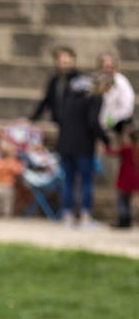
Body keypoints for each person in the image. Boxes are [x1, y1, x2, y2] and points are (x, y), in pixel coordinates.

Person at [54, 72, 110, 227]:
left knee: (68, 181)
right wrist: (106, 139)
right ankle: (86, 216)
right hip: (83, 146)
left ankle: (67, 216)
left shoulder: (71, 93)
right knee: (86, 181)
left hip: (64, 144)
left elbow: (60, 116)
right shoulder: (94, 97)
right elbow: (93, 122)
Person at [30, 45, 80, 126]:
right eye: (60, 59)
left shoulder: (79, 79)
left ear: (73, 60)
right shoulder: (55, 79)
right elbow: (46, 100)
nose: (63, 61)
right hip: (57, 122)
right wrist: (32, 119)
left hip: (73, 125)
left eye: (66, 59)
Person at [105, 121, 139, 228]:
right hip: (134, 179)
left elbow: (113, 152)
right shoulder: (135, 150)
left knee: (122, 200)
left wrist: (104, 146)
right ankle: (127, 219)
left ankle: (124, 220)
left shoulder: (127, 149)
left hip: (125, 179)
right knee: (127, 200)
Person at [95, 52, 134, 134]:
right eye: (106, 67)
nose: (108, 70)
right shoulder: (96, 81)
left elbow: (127, 108)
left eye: (111, 67)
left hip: (117, 126)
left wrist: (109, 121)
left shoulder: (121, 82)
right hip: (98, 127)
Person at [0, 140, 25, 218]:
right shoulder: (12, 162)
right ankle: (6, 216)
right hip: (7, 185)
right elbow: (18, 171)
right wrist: (20, 164)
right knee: (7, 202)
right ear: (10, 154)